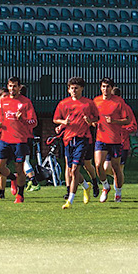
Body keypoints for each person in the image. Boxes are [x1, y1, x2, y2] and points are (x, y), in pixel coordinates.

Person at [53, 77, 100, 209]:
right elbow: (56, 119)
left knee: (75, 169)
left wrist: (89, 120)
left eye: (76, 88)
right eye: (72, 88)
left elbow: (96, 118)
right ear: (68, 90)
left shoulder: (88, 103)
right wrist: (63, 123)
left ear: (82, 89)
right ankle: (86, 186)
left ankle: (70, 200)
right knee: (70, 171)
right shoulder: (63, 104)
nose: (74, 90)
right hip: (68, 139)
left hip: (82, 138)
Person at [0, 76, 37, 204]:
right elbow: (2, 119)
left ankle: (20, 195)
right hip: (5, 139)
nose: (12, 89)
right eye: (10, 86)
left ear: (19, 87)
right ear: (8, 86)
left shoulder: (26, 102)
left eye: (15, 86)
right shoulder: (4, 101)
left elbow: (34, 122)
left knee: (19, 168)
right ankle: (13, 179)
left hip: (20, 140)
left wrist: (22, 119)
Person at [93, 77, 135, 203]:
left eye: (108, 87)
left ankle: (118, 193)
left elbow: (128, 120)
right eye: (103, 86)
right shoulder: (96, 101)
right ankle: (105, 186)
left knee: (117, 168)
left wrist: (115, 121)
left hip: (116, 140)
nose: (105, 89)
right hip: (101, 138)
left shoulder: (119, 102)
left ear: (112, 88)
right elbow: (93, 118)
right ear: (100, 88)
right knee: (98, 165)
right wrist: (93, 123)